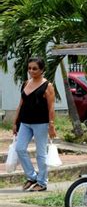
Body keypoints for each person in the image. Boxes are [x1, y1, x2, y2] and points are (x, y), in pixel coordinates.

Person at [13, 57, 56, 192]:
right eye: (29, 68)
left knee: (41, 154)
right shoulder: (26, 83)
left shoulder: (47, 85)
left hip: (41, 123)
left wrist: (51, 125)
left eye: (35, 68)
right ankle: (32, 177)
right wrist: (15, 122)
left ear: (42, 70)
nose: (31, 71)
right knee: (20, 148)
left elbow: (51, 106)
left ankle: (42, 182)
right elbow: (21, 104)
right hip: (25, 122)